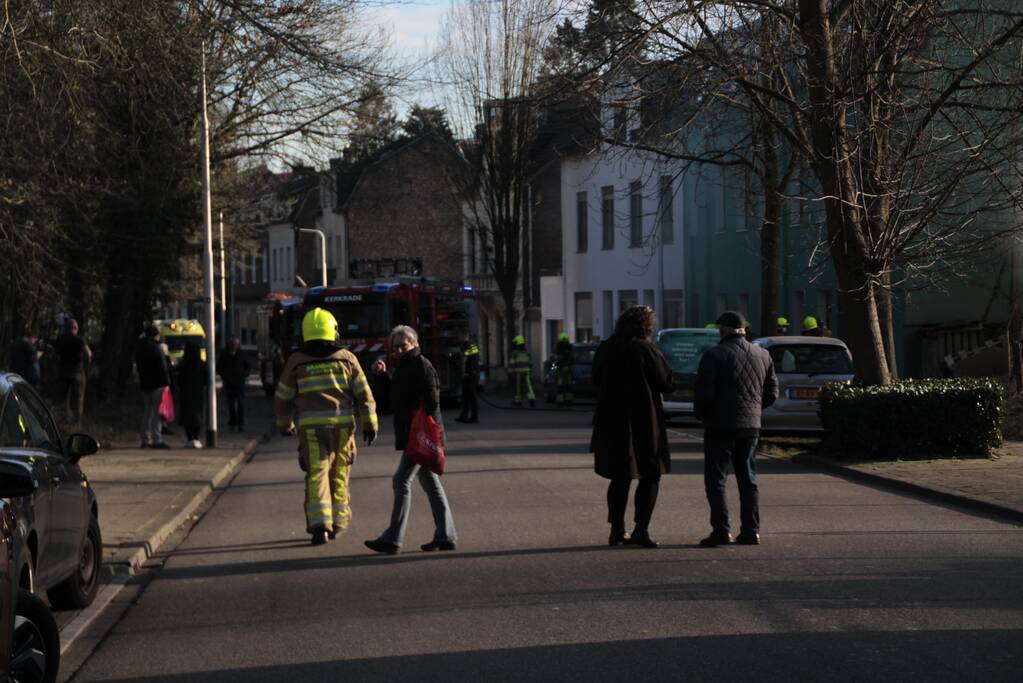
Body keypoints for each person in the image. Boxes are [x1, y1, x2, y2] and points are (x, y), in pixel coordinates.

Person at [275, 308, 378, 546]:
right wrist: (370, 424)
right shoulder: (346, 358)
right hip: (342, 427)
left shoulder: (296, 361)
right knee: (339, 473)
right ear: (333, 331)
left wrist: (285, 424)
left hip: (311, 429)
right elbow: (364, 394)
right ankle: (339, 522)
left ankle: (320, 525)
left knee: (317, 474)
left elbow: (283, 397)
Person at [365, 325, 457, 555]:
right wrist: (382, 377)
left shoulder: (421, 366)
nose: (397, 350)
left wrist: (417, 420)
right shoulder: (404, 367)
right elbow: (390, 403)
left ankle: (393, 539)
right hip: (415, 435)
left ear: (414, 343)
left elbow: (432, 403)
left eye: (402, 345)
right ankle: (446, 535)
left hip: (420, 436)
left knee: (401, 480)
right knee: (430, 483)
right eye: (394, 347)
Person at [590, 305, 674, 549]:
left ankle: (617, 529)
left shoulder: (607, 348)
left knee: (619, 476)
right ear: (646, 326)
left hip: (610, 420)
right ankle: (641, 528)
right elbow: (666, 381)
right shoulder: (645, 349)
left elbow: (595, 379)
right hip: (643, 421)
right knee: (650, 474)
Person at [694, 311, 779, 547]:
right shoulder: (763, 355)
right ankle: (751, 530)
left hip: (719, 425)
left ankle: (721, 530)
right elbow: (772, 392)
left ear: (723, 331)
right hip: (750, 426)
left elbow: (703, 395)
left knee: (717, 478)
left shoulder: (713, 356)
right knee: (748, 478)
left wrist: (703, 416)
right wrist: (753, 409)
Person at [136, 325, 171, 449]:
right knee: (157, 412)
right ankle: (157, 439)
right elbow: (162, 366)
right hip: (157, 383)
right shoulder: (156, 348)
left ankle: (146, 438)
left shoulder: (140, 348)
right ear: (155, 335)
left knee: (147, 411)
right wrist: (167, 382)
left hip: (145, 383)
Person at [54, 319, 92, 424]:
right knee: (78, 399)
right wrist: (87, 362)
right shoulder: (80, 340)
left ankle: (63, 421)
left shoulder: (61, 339)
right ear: (75, 328)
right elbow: (88, 354)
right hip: (77, 372)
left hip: (63, 372)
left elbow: (55, 355)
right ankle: (76, 423)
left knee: (63, 398)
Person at [217, 337, 251, 432]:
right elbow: (219, 367)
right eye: (232, 345)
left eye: (235, 345)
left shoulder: (242, 354)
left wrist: (244, 374)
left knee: (240, 404)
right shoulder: (225, 354)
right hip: (229, 384)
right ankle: (232, 423)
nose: (234, 346)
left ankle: (241, 424)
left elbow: (248, 366)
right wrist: (224, 376)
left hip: (239, 383)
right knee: (231, 405)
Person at [177, 342, 206, 448]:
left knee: (187, 416)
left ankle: (190, 438)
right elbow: (206, 379)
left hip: (186, 393)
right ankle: (196, 438)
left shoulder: (184, 365)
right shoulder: (202, 364)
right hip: (198, 393)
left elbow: (179, 380)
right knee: (198, 415)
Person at [455, 336, 480, 423]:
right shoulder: (467, 346)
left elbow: (470, 360)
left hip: (471, 376)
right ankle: (464, 416)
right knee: (465, 397)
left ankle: (474, 417)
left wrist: (470, 373)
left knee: (472, 397)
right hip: (468, 375)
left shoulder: (470, 346)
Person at [509, 335, 535, 407]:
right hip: (527, 372)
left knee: (518, 387)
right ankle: (531, 399)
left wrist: (510, 372)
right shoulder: (527, 353)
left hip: (518, 372)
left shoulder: (514, 353)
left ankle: (518, 401)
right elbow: (531, 363)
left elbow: (512, 363)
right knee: (529, 386)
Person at [554, 332, 575, 405]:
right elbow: (572, 358)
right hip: (568, 368)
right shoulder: (570, 347)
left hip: (560, 368)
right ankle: (569, 400)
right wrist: (571, 366)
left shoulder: (558, 347)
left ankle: (560, 401)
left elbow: (556, 358)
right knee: (569, 384)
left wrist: (556, 367)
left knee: (560, 384)